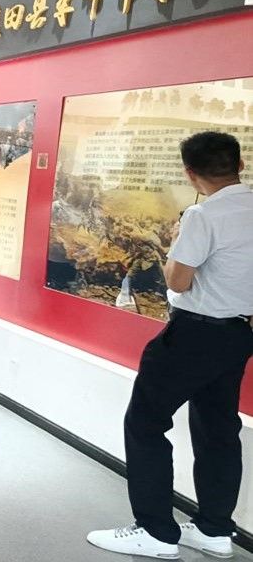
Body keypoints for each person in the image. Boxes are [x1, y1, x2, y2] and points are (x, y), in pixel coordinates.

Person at [88, 132, 253, 560]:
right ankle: (215, 529)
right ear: (239, 164)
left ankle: (156, 531)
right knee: (219, 429)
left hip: (194, 331)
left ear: (190, 173)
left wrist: (177, 242)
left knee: (145, 422)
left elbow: (178, 281)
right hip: (239, 333)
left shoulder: (202, 215)